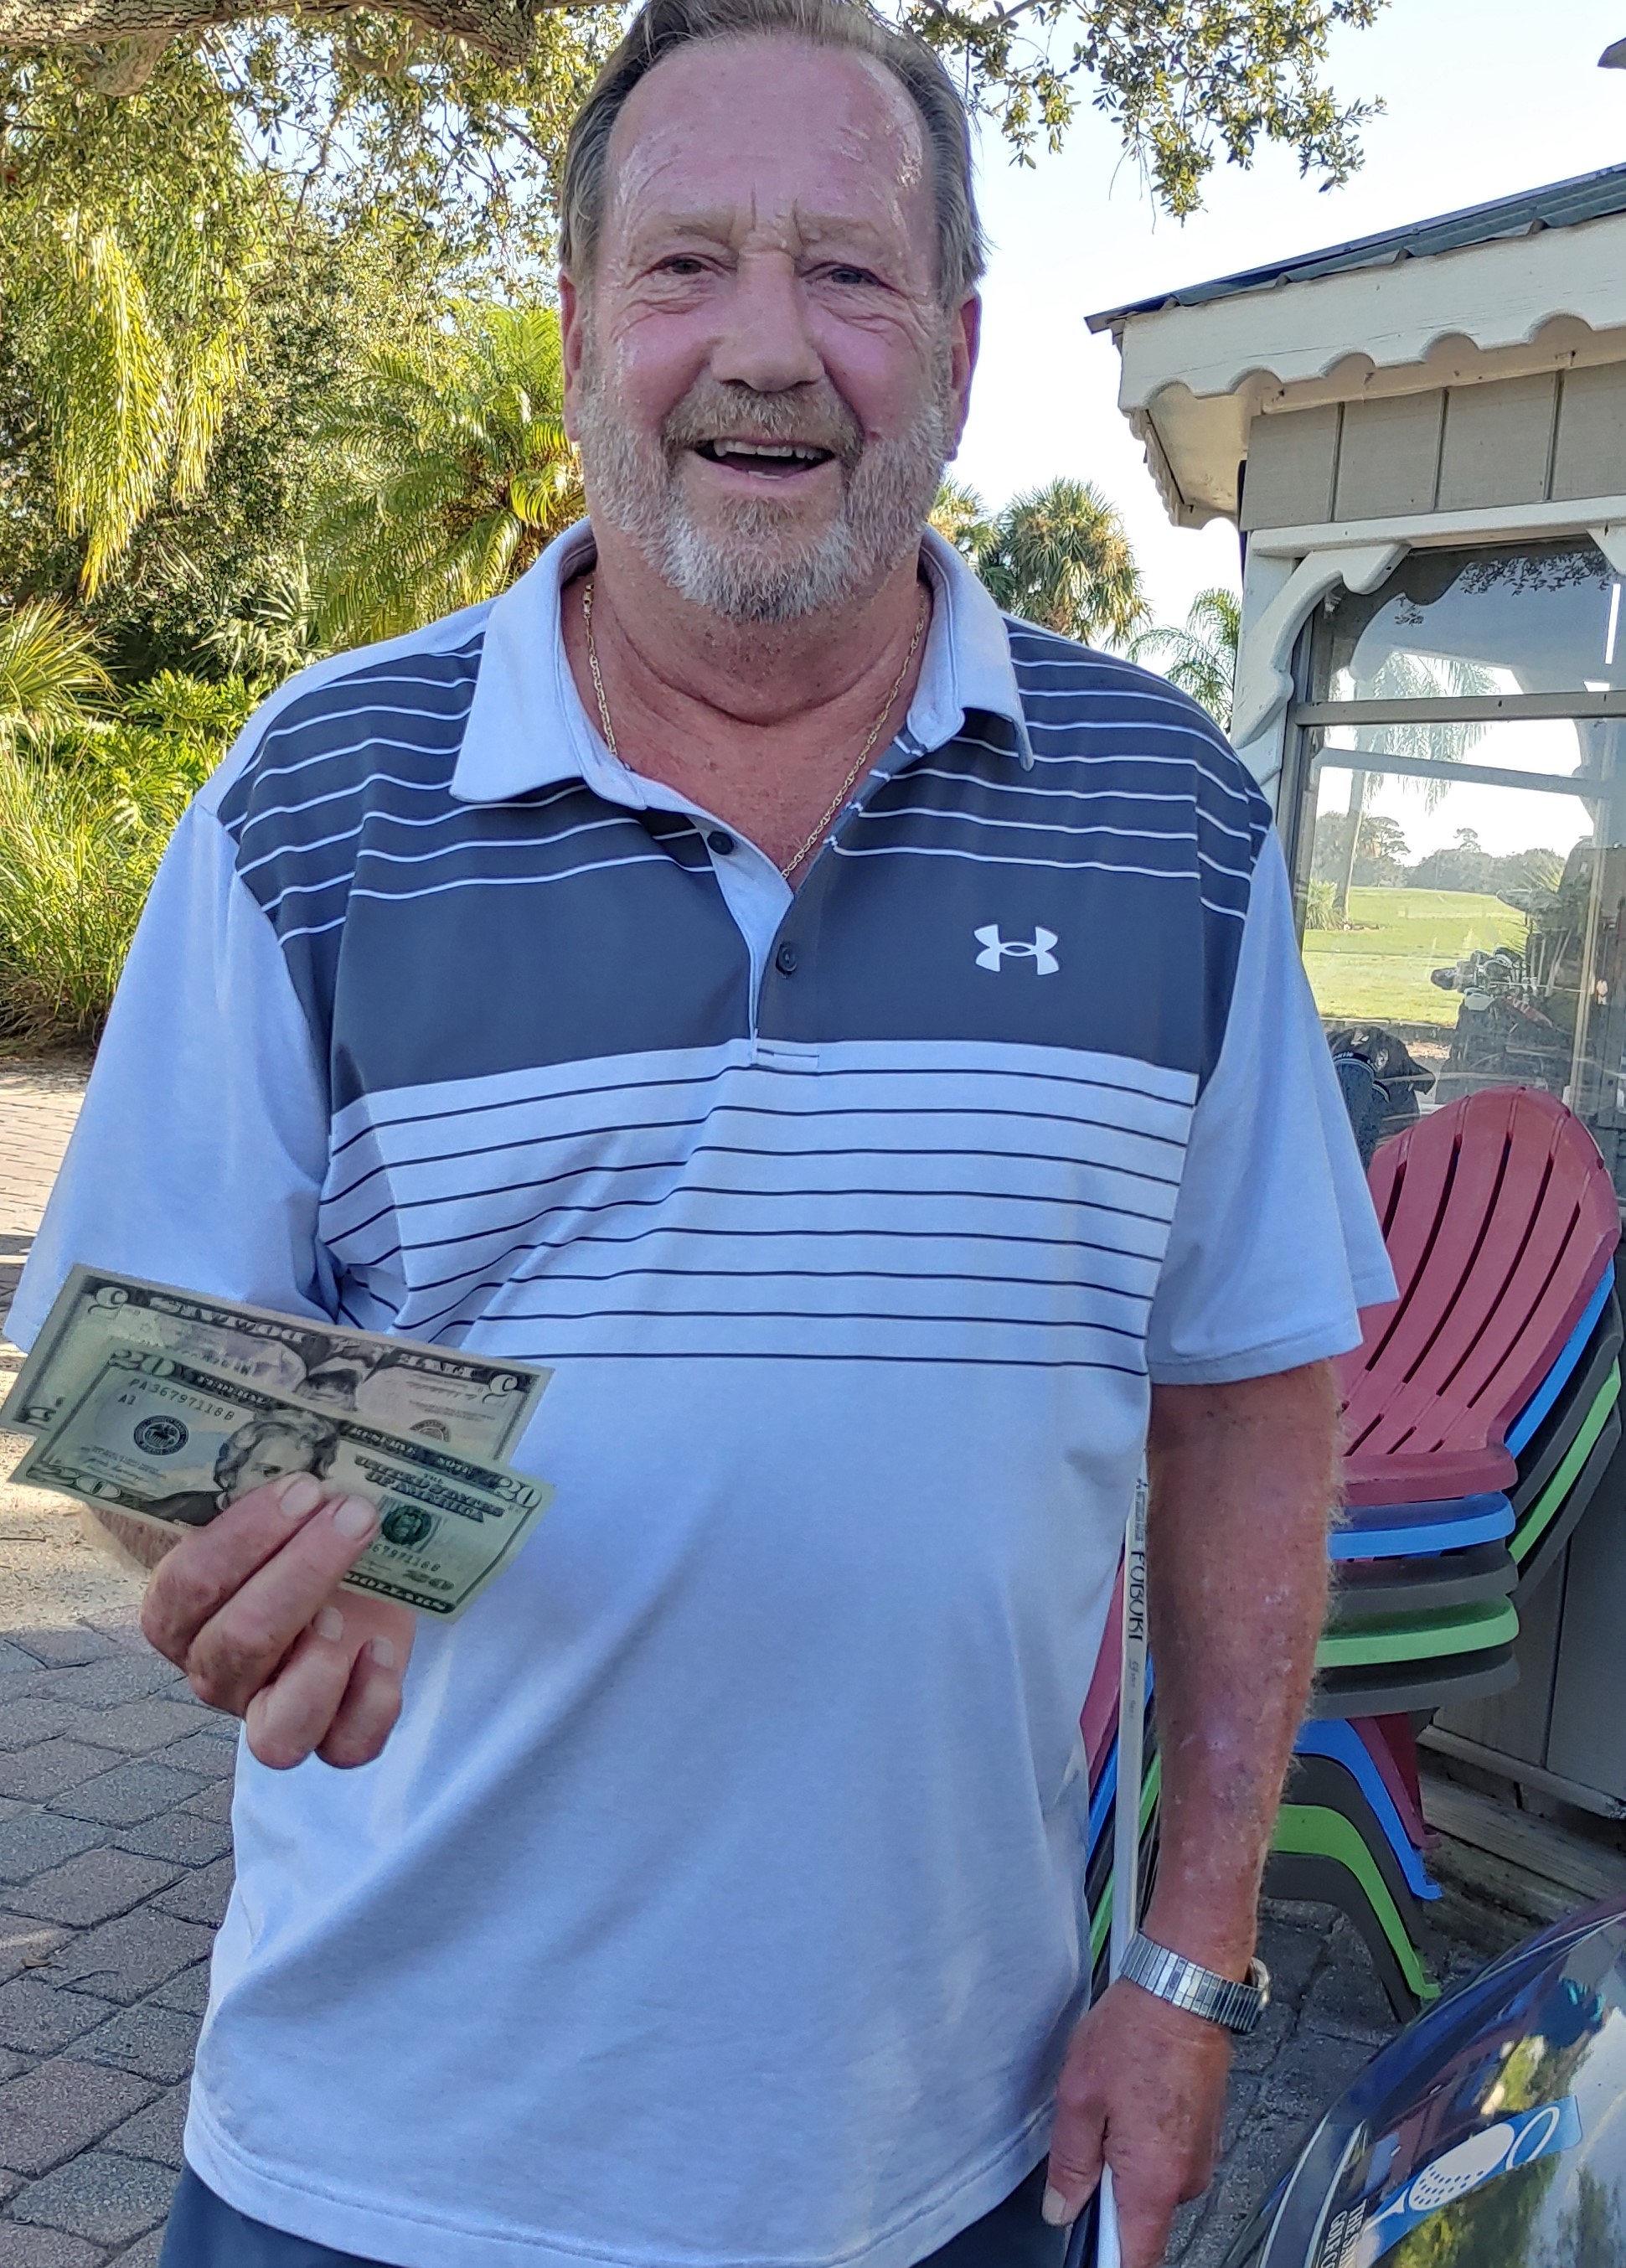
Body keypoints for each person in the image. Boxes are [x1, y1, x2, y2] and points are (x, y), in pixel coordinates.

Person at [6, 2, 1395, 2263]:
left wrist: (1190, 1962)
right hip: (378, 2163)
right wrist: (227, 1555)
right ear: (579, 324)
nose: (766, 347)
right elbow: (133, 1369)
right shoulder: (316, 798)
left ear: (955, 344)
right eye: (686, 265)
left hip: (944, 2160)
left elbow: (1250, 1396)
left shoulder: (1169, 818)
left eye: (845, 271)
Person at [145, 1411, 343, 1527]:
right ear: (231, 1472)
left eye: (295, 1481)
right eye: (268, 1472)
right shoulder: (178, 1509)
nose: (281, 1489)